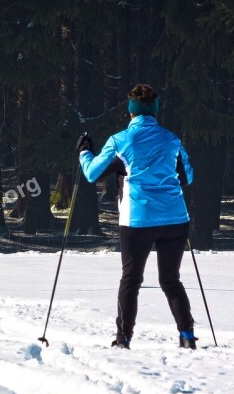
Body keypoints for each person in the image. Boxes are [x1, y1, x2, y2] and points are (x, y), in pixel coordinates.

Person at [78, 84, 197, 349]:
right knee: (170, 279)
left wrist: (84, 151)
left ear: (131, 111)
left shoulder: (120, 140)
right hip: (175, 218)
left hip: (137, 219)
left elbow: (91, 173)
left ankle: (124, 338)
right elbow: (188, 176)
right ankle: (187, 335)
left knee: (131, 279)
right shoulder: (172, 139)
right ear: (155, 111)